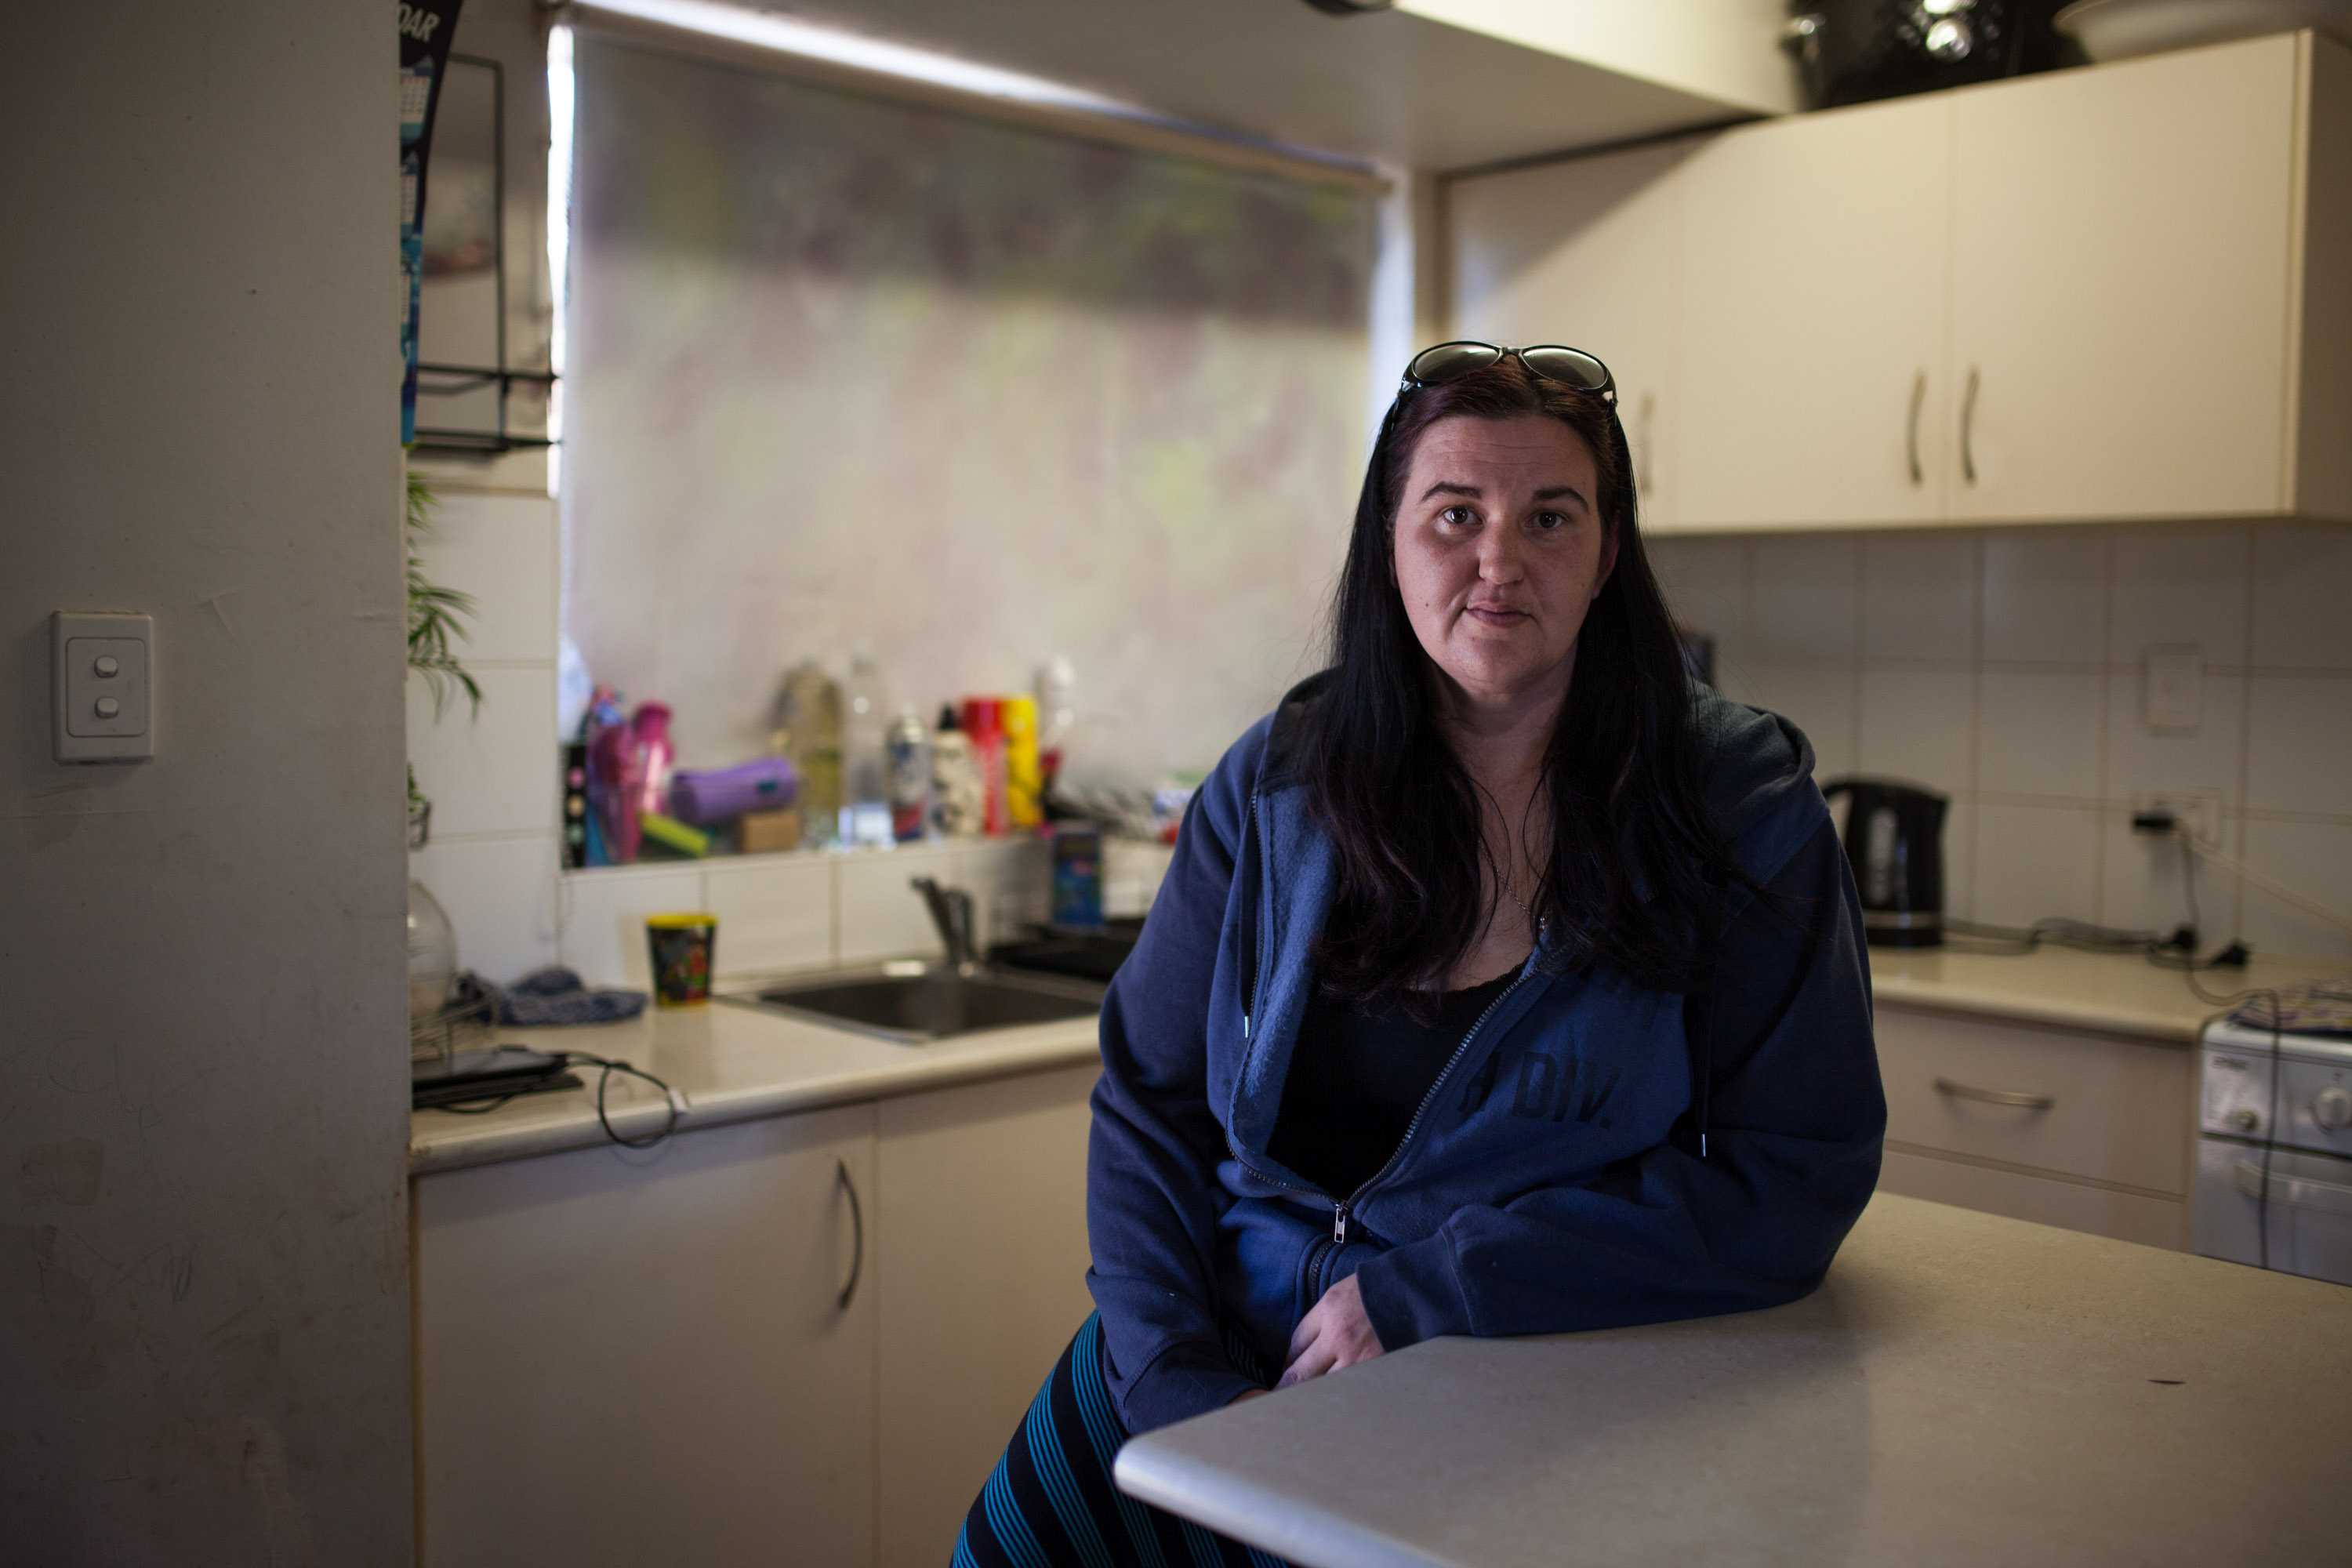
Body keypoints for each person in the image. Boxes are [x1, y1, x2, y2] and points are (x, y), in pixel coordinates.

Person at [953, 343, 1886, 1567]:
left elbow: (1793, 1177)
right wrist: (1175, 1377)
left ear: (1608, 553)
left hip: (1504, 1376)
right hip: (1196, 1350)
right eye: (1455, 514)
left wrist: (1434, 1292)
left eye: (1549, 516)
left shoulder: (1735, 807)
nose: (1499, 560)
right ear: (1388, 545)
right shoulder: (1278, 783)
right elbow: (1150, 1097)